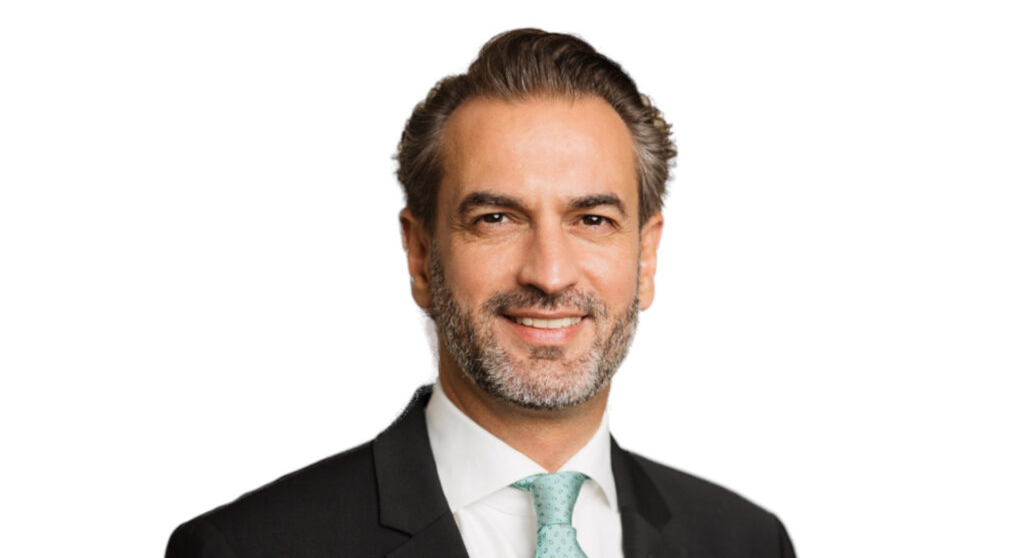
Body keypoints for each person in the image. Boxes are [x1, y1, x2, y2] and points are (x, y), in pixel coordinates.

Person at [166, 28, 796, 558]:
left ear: (646, 256)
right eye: (497, 219)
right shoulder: (246, 549)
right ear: (421, 254)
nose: (550, 274)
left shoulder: (748, 544)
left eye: (592, 219)